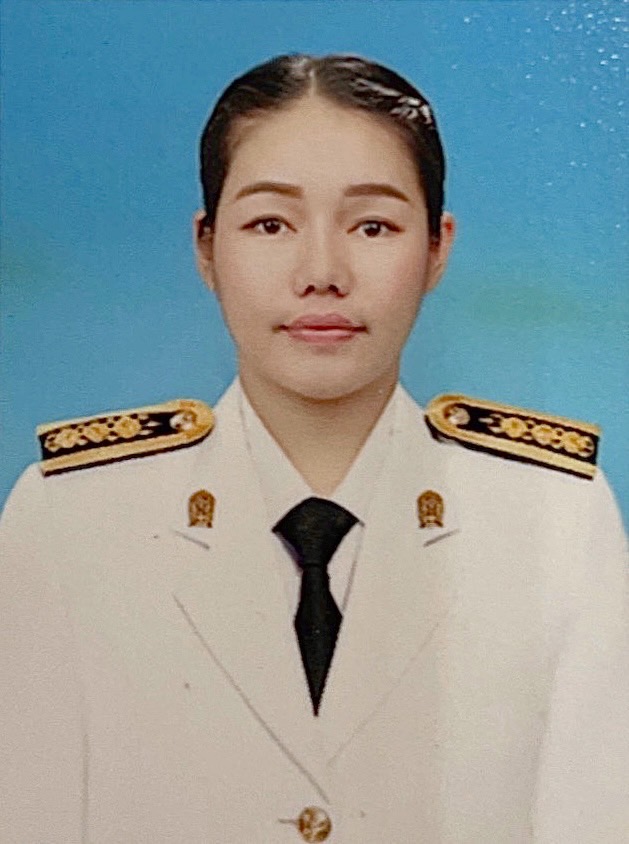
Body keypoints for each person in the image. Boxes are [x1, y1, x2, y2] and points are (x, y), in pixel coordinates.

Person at [1, 53, 627, 844]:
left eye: (373, 226)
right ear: (205, 247)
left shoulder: (554, 519)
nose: (321, 273)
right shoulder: (70, 520)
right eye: (270, 224)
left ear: (437, 248)